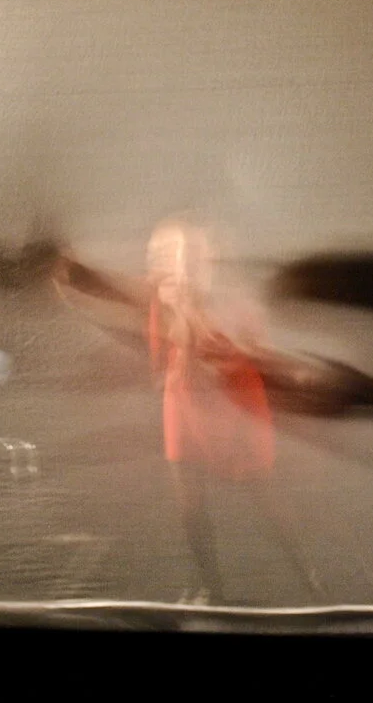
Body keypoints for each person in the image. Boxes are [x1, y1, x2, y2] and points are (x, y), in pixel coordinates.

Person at [52, 217, 327, 605]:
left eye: (172, 254)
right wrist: (71, 273)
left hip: (233, 406)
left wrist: (290, 372)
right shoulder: (162, 295)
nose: (160, 263)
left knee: (265, 499)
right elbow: (114, 291)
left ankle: (312, 583)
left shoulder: (230, 305)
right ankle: (212, 590)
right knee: (190, 501)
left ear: (201, 260)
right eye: (158, 254)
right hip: (184, 401)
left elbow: (241, 353)